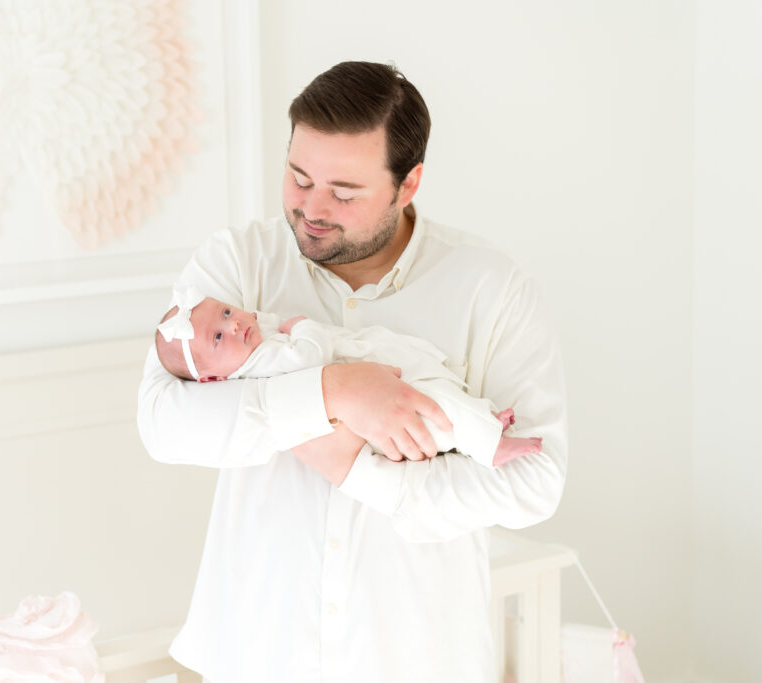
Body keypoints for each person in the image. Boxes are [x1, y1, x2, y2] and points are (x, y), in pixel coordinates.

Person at [137, 61, 567, 682]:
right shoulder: (236, 265)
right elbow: (163, 422)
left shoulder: (493, 290)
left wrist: (365, 474)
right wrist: (333, 392)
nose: (311, 209)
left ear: (408, 183)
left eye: (343, 193)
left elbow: (535, 483)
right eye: (298, 176)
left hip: (415, 657)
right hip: (256, 650)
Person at [154, 287, 543, 469]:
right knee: (437, 409)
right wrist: (301, 326)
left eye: (225, 313)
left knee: (439, 392)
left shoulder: (250, 344)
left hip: (372, 376)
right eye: (219, 338)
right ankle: (489, 445)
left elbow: (256, 322)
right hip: (371, 398)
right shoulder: (260, 362)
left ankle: (485, 419)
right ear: (210, 380)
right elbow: (312, 353)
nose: (235, 325)